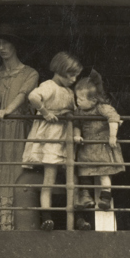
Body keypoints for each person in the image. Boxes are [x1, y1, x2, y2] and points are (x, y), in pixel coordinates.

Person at [0, 25, 38, 231]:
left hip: (17, 134)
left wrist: (6, 110)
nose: (2, 47)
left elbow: (23, 95)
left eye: (5, 42)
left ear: (15, 44)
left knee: (17, 180)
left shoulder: (30, 73)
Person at [22, 51, 83, 232]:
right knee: (49, 179)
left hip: (65, 138)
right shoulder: (49, 86)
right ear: (60, 71)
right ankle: (46, 217)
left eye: (76, 76)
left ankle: (76, 218)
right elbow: (33, 97)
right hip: (51, 138)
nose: (73, 79)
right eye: (71, 75)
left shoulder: (69, 91)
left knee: (72, 180)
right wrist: (45, 112)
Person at [72, 71, 125, 218]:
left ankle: (105, 198)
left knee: (104, 173)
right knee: (84, 173)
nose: (78, 102)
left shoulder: (102, 108)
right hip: (87, 147)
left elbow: (113, 118)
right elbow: (76, 123)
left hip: (102, 146)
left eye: (81, 99)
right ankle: (86, 196)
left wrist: (113, 136)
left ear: (94, 100)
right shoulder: (79, 111)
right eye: (77, 98)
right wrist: (77, 135)